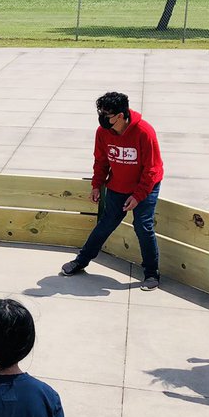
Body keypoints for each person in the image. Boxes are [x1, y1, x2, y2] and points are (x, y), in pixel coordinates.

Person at [61, 92, 164, 291]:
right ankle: (81, 261)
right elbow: (101, 161)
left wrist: (138, 196)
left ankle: (152, 274)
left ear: (120, 115)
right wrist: (96, 185)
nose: (103, 118)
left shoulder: (144, 132)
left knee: (143, 226)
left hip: (145, 186)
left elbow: (152, 169)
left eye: (107, 114)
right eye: (101, 113)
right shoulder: (102, 132)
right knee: (106, 223)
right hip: (118, 185)